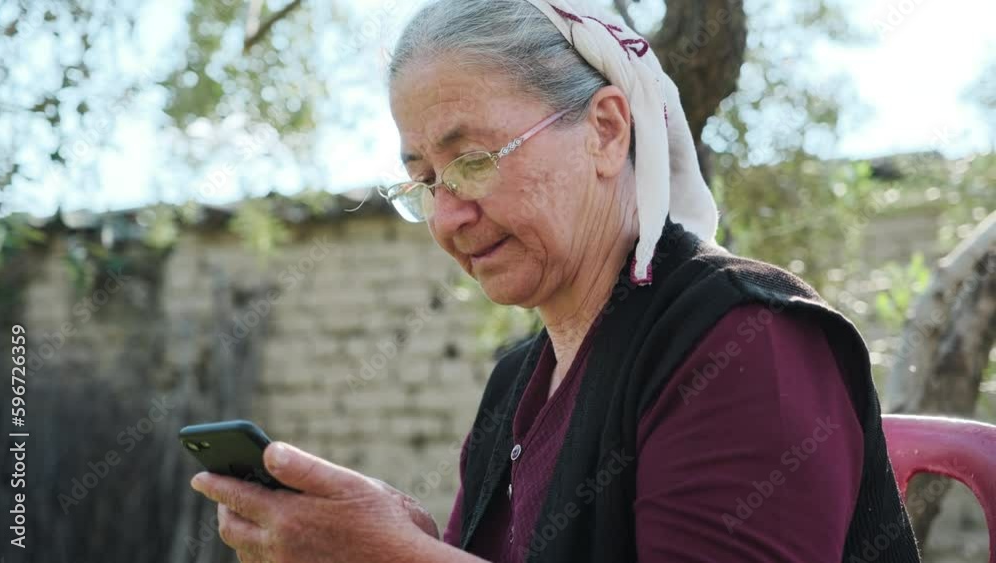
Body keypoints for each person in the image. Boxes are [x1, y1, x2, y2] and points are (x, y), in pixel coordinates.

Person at [189, 1, 923, 561]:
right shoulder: (516, 383)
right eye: (422, 182)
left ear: (607, 129)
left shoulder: (743, 341)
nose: (449, 215)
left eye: (472, 159)